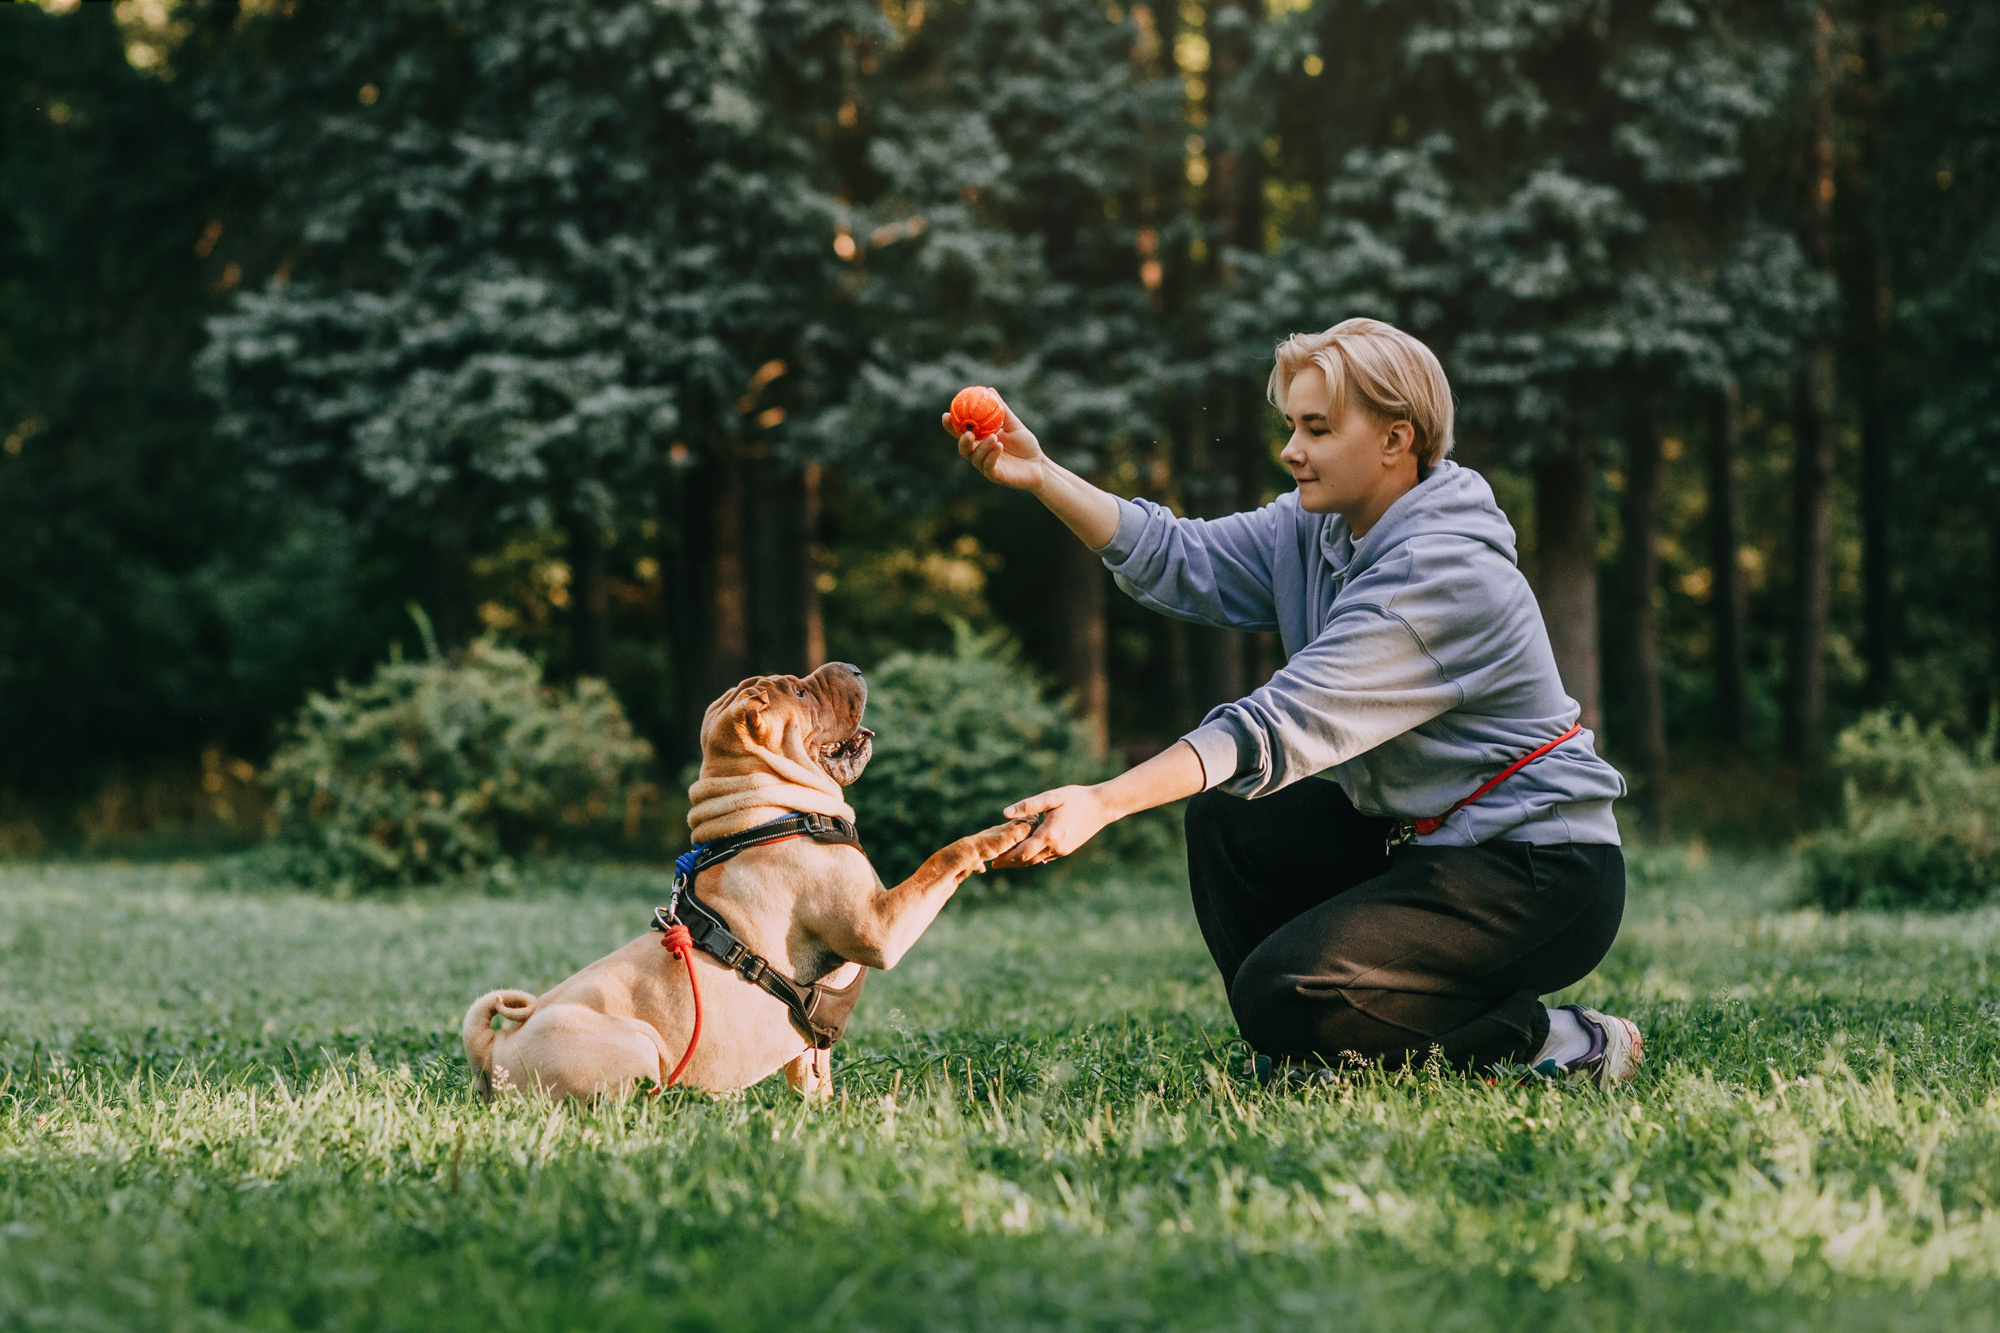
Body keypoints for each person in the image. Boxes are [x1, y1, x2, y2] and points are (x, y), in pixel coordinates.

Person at [945, 318, 1639, 1085]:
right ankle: (1315, 1052)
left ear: (1395, 439)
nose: (1291, 450)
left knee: (1285, 992)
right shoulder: (1319, 529)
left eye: (1317, 428)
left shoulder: (1440, 575)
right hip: (1421, 841)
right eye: (1291, 425)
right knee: (1229, 821)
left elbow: (1274, 728)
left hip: (1539, 870)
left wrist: (1105, 801)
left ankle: (1550, 1038)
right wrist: (1043, 473)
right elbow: (1175, 554)